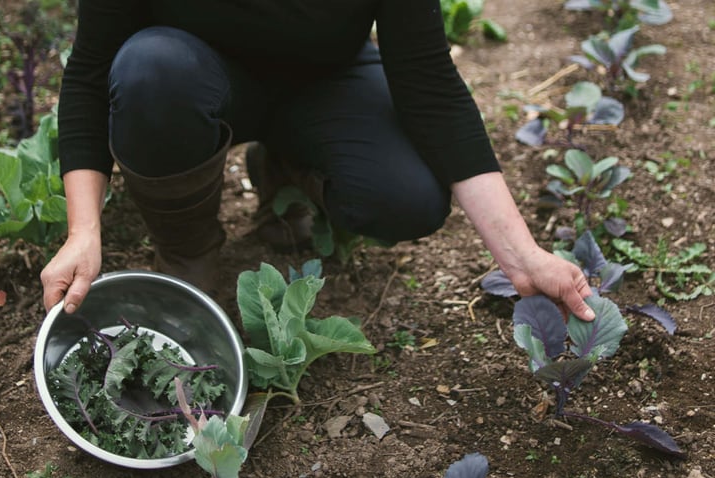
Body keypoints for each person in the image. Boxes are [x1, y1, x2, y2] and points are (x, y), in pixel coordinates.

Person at [40, 1, 595, 322]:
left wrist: (522, 257)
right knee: (149, 70)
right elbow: (90, 72)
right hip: (185, 78)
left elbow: (430, 85)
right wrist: (83, 232)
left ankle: (283, 168)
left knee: (407, 197)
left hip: (325, 81)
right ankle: (187, 250)